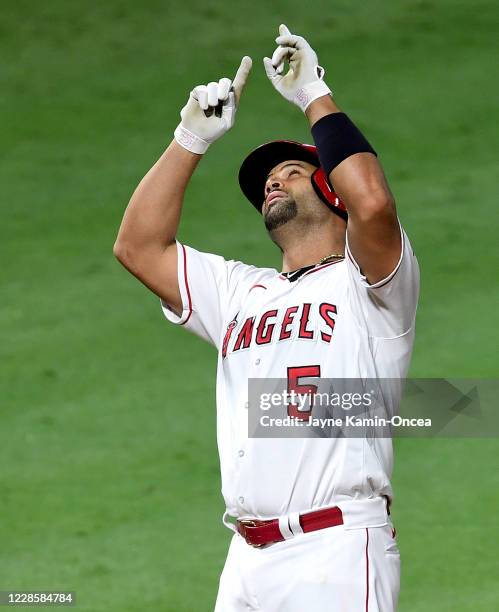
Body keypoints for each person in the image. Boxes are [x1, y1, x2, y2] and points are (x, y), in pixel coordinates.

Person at [114, 24, 419, 612]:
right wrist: (190, 137)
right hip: (246, 559)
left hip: (333, 549)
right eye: (265, 183)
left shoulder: (373, 285)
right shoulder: (237, 292)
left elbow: (375, 203)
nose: (273, 181)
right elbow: (139, 246)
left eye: (292, 173)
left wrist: (312, 94)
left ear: (332, 190)